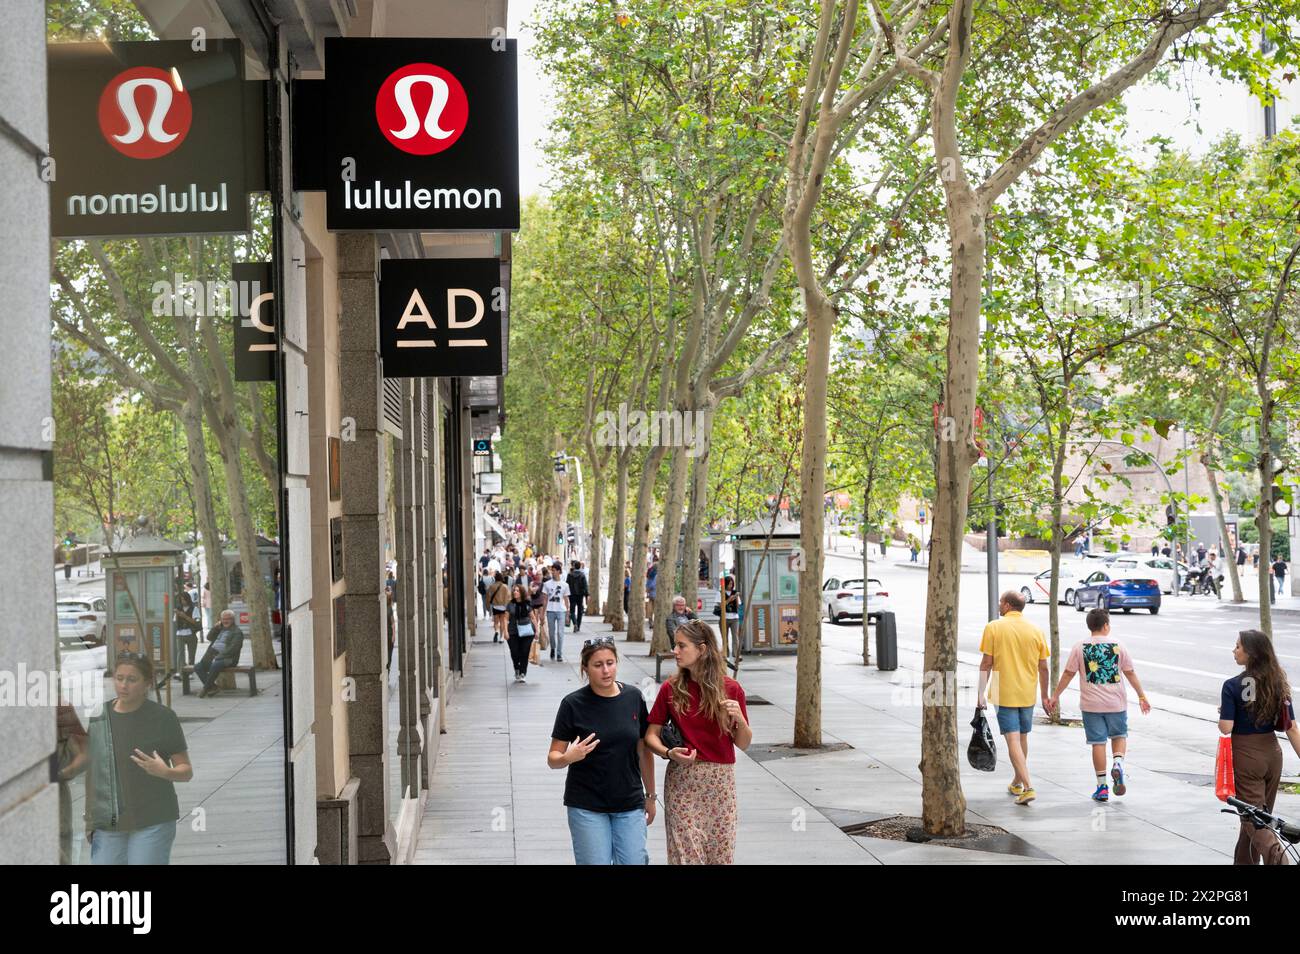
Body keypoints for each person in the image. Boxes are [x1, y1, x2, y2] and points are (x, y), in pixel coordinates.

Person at [646, 620, 751, 864]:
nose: (675, 651)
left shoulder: (731, 689)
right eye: (675, 645)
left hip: (720, 783)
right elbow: (650, 735)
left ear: (702, 649)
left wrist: (740, 720)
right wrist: (669, 752)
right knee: (685, 856)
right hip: (682, 781)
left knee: (720, 856)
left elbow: (743, 743)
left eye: (682, 646)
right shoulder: (671, 688)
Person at [547, 636, 655, 864]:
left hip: (629, 802)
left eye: (610, 663)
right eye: (598, 665)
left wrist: (651, 796)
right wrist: (568, 757)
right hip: (587, 805)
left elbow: (643, 751)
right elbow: (553, 758)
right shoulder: (572, 704)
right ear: (585, 668)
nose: (606, 670)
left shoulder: (633, 697)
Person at [84, 653, 192, 864]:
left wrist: (165, 772)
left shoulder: (163, 717)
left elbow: (186, 771)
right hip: (109, 822)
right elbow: (93, 772)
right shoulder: (100, 716)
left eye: (132, 679)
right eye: (119, 678)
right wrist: (90, 819)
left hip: (153, 818)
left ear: (147, 684)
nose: (123, 685)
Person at [1049, 608, 1151, 802]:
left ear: (1090, 626)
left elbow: (1068, 673)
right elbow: (1129, 672)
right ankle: (1118, 763)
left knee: (1098, 743)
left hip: (1091, 705)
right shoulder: (1118, 645)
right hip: (1116, 703)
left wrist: (1055, 696)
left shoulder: (1079, 646)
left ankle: (1102, 787)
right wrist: (1141, 696)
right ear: (1106, 626)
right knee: (1119, 736)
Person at [1218, 630, 1300, 864]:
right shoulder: (1277, 682)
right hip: (1272, 753)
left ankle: (1279, 860)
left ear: (1251, 653)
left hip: (1246, 754)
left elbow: (1226, 727)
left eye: (1238, 646)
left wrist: (1223, 713)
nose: (1234, 650)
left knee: (1254, 820)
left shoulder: (1232, 685)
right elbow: (1291, 728)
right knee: (1257, 817)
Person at [977, 590, 1050, 805]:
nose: (999, 604)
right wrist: (1044, 695)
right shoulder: (1036, 630)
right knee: (1022, 738)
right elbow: (1043, 667)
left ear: (1008, 605)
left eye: (1001, 602)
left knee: (1012, 739)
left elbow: (986, 663)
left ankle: (1028, 787)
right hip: (1028, 692)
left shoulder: (994, 627)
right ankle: (1017, 781)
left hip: (1004, 691)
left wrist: (980, 693)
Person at [195, 610, 245, 698]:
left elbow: (233, 649)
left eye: (228, 619)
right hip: (214, 656)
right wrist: (215, 628)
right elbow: (209, 637)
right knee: (198, 666)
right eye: (223, 619)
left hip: (229, 659)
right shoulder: (220, 629)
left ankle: (205, 689)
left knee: (215, 664)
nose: (225, 621)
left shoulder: (237, 632)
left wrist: (217, 657)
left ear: (233, 620)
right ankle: (213, 687)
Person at [506, 583, 537, 682]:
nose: (515, 592)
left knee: (524, 652)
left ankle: (523, 672)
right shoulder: (510, 604)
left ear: (521, 593)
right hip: (513, 631)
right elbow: (505, 619)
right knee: (514, 652)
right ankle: (517, 668)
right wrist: (505, 632)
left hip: (527, 632)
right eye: (514, 590)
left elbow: (533, 618)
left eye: (517, 591)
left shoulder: (527, 604)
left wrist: (537, 631)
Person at [543, 562, 571, 663]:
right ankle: (553, 648)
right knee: (551, 633)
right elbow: (545, 599)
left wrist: (568, 613)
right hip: (550, 611)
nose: (552, 572)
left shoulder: (565, 585)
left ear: (559, 571)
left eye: (554, 570)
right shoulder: (547, 584)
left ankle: (559, 653)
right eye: (552, 570)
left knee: (560, 633)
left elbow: (566, 600)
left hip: (561, 611)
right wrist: (542, 614)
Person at [172, 583, 199, 680]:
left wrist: (184, 616)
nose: (183, 602)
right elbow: (174, 621)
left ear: (188, 599)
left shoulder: (194, 609)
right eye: (181, 600)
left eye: (184, 600)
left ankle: (190, 672)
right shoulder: (178, 609)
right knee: (180, 653)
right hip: (180, 633)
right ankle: (180, 671)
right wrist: (177, 615)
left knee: (191, 654)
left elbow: (195, 621)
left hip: (190, 633)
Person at [487, 571, 511, 643]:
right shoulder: (505, 586)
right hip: (503, 607)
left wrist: (487, 606)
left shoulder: (491, 586)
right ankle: (501, 638)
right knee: (502, 622)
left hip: (495, 606)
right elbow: (509, 597)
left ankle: (496, 631)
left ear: (495, 578)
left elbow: (488, 597)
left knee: (496, 622)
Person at [567, 560, 589, 633]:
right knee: (580, 611)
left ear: (574, 566)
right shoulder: (582, 575)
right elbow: (585, 586)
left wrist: (566, 594)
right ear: (580, 566)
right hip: (580, 595)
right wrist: (586, 595)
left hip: (572, 595)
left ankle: (575, 623)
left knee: (572, 610)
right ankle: (578, 626)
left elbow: (567, 585)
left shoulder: (570, 575)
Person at [645, 560, 658, 632]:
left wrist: (648, 591)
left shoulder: (650, 574)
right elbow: (653, 585)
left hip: (651, 594)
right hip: (656, 594)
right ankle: (655, 623)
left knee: (650, 609)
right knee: (656, 609)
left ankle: (650, 622)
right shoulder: (657, 575)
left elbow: (648, 585)